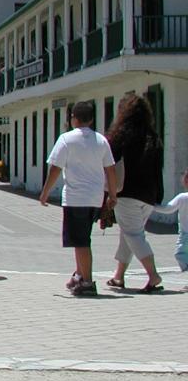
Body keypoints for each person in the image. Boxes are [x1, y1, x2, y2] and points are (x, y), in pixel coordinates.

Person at [38, 100, 118, 297]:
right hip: (95, 197)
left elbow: (55, 167)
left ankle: (88, 282)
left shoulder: (66, 139)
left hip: (75, 198)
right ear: (91, 119)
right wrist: (113, 194)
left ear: (74, 118)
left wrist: (45, 192)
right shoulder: (101, 140)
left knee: (81, 241)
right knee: (79, 237)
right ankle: (79, 275)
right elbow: (110, 169)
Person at [104, 94, 165, 293]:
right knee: (128, 235)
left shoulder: (118, 137)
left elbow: (110, 167)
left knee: (133, 234)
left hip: (126, 193)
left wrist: (109, 193)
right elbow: (158, 169)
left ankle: (153, 275)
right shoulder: (153, 137)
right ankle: (118, 276)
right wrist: (158, 194)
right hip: (148, 195)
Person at [154, 168, 188, 274]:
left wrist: (152, 206)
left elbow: (168, 209)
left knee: (180, 254)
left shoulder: (183, 197)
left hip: (186, 235)